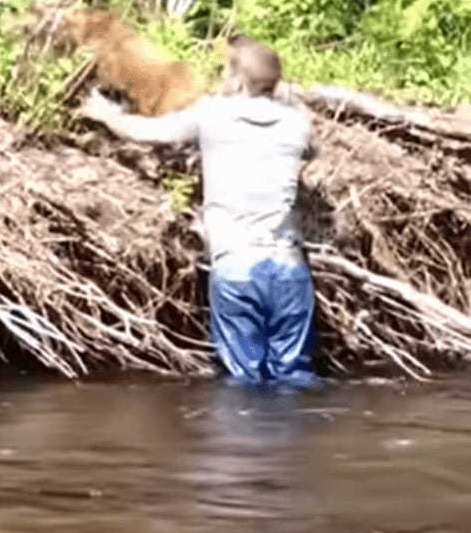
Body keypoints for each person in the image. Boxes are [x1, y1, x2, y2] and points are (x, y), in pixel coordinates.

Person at [80, 33, 320, 388]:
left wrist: (106, 114)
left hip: (236, 267)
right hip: (289, 270)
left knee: (244, 385)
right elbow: (310, 151)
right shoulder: (297, 123)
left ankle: (248, 442)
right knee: (295, 379)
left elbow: (149, 132)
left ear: (237, 79)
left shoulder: (213, 114)